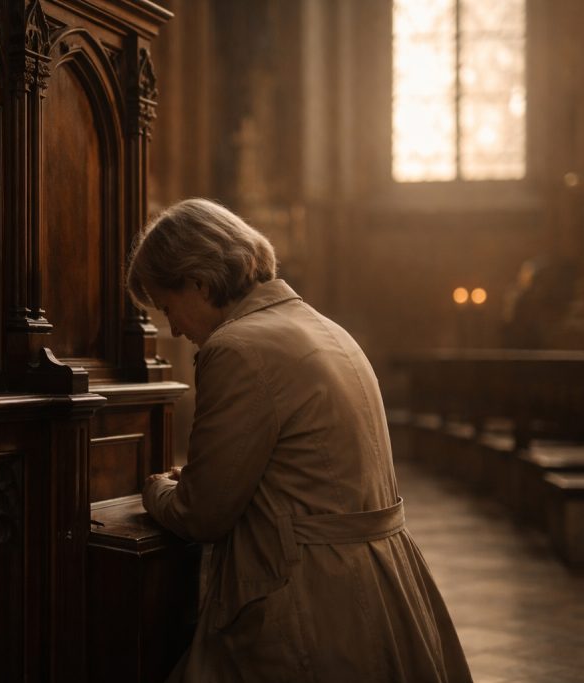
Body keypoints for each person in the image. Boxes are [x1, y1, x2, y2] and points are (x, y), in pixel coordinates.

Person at [128, 198, 472, 682]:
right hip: (380, 581)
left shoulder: (237, 348)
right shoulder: (326, 328)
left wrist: (156, 488)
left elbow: (201, 513)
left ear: (198, 282)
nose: (174, 328)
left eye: (168, 307)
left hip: (309, 598)